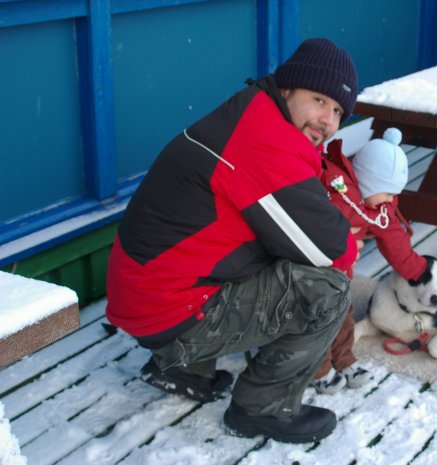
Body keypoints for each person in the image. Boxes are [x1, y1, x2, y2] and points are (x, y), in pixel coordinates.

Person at [105, 38, 361, 444]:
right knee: (327, 289)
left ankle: (183, 369)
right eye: (319, 100)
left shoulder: (248, 115)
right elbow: (326, 250)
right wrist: (350, 246)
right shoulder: (264, 142)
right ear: (287, 89)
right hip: (171, 311)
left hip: (144, 296)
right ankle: (262, 409)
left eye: (337, 112)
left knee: (269, 255)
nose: (327, 121)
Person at [309, 127, 429, 394]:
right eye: (387, 192)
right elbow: (313, 222)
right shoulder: (335, 191)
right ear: (368, 181)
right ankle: (318, 370)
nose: (390, 200)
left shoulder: (377, 205)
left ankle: (344, 361)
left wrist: (418, 270)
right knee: (315, 323)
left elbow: (395, 239)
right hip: (311, 276)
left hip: (340, 276)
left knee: (343, 317)